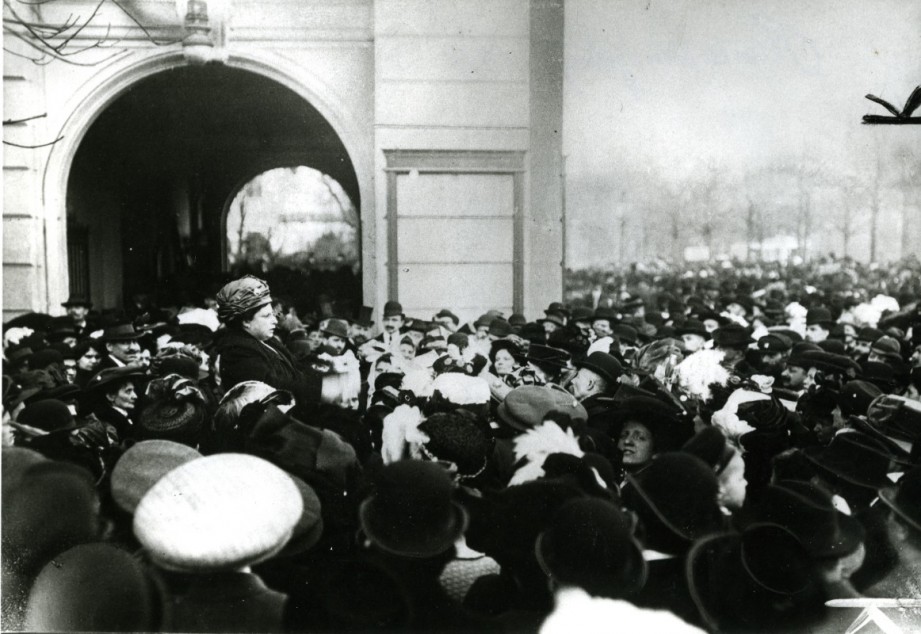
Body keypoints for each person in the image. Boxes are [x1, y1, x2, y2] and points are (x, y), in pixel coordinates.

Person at [212, 275, 323, 410]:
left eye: (273, 315)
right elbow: (276, 386)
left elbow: (294, 365)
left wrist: (322, 365)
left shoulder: (265, 339)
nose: (275, 321)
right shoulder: (237, 352)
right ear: (246, 321)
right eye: (266, 316)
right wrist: (323, 388)